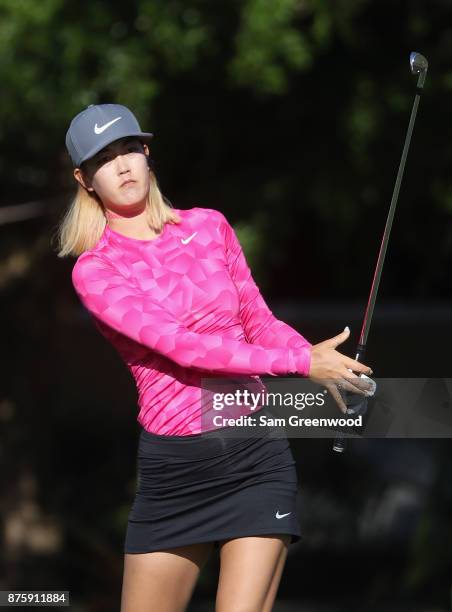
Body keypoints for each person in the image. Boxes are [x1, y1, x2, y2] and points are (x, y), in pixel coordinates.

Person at [56, 103, 373, 611]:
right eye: (103, 159)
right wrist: (300, 365)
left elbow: (257, 321)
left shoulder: (209, 226)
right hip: (175, 471)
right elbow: (181, 346)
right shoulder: (95, 270)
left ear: (146, 153)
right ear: (85, 178)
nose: (121, 166)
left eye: (129, 150)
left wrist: (317, 359)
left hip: (254, 456)